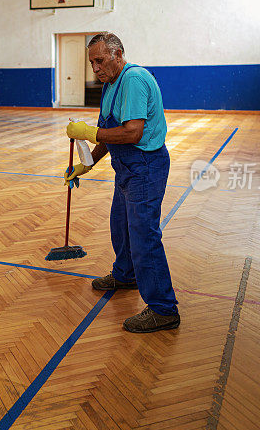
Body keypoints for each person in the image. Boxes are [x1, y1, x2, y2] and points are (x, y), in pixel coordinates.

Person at [64, 32, 179, 333]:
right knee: (121, 225)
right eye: (92, 63)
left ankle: (163, 309)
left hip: (145, 167)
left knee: (144, 236)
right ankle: (125, 274)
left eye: (100, 60)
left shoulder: (134, 80)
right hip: (126, 167)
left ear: (117, 54)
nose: (96, 68)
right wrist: (86, 164)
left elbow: (132, 133)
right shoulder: (110, 85)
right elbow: (109, 132)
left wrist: (88, 133)